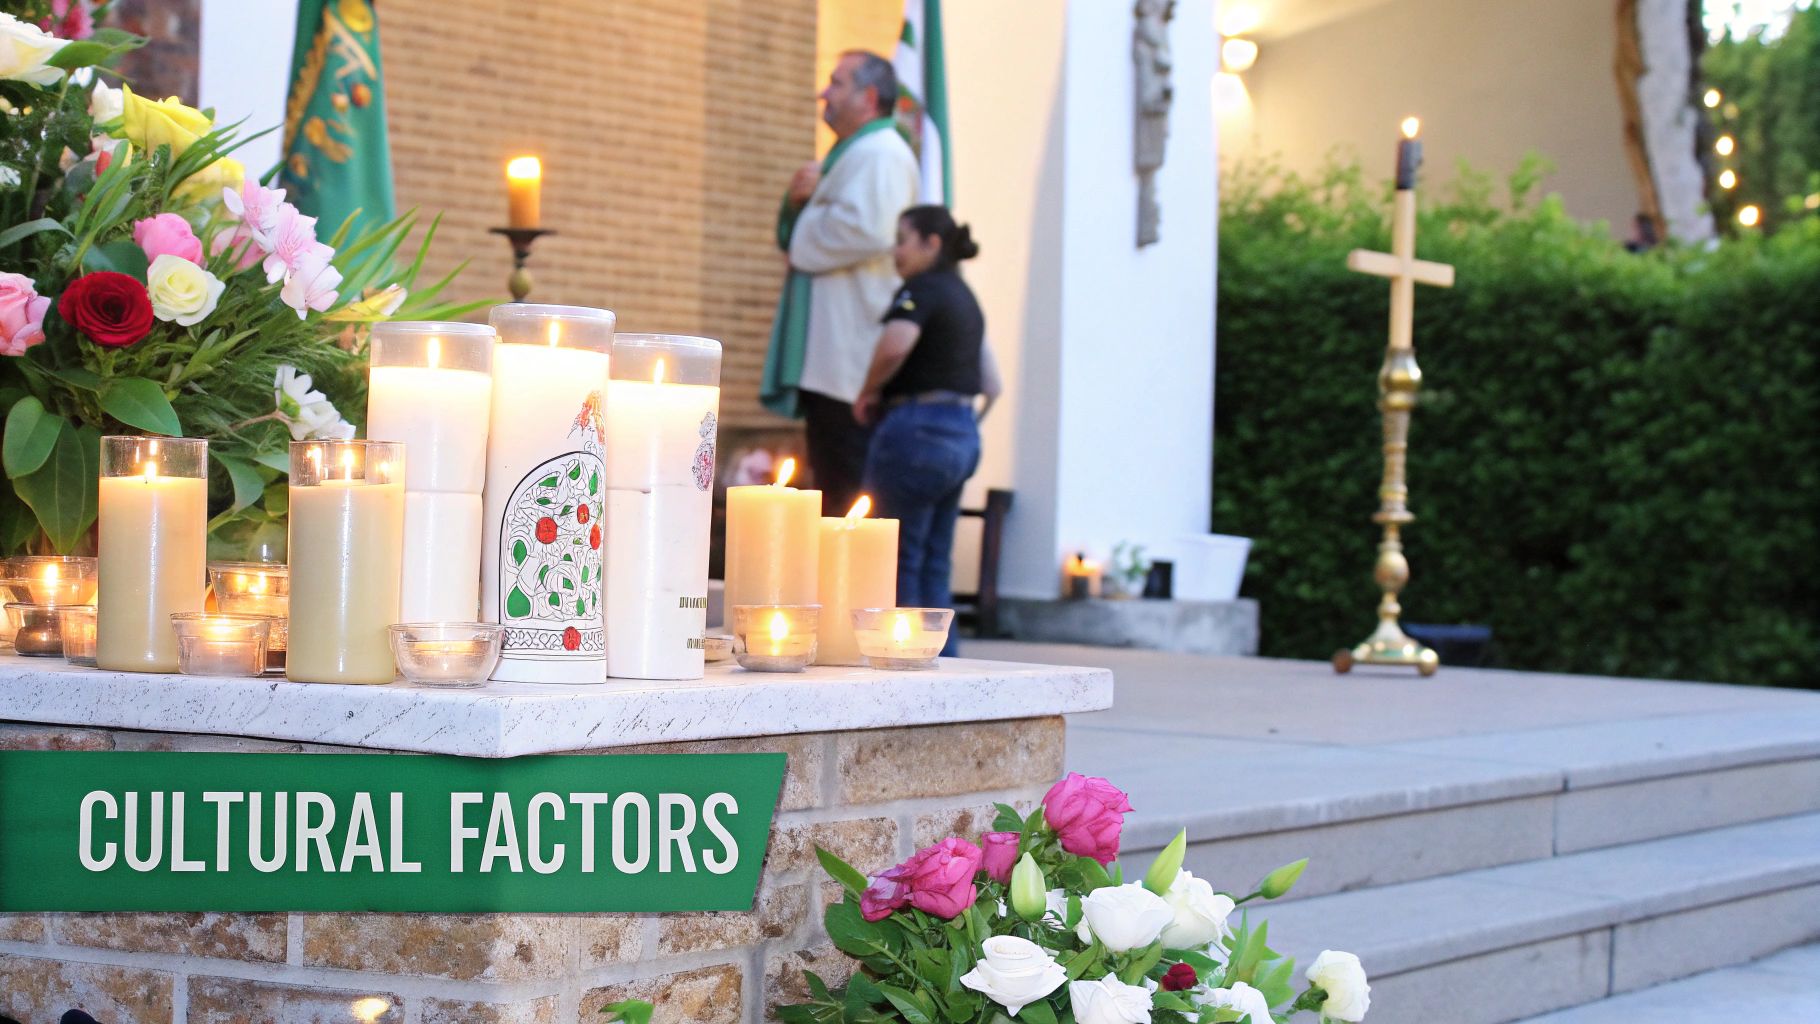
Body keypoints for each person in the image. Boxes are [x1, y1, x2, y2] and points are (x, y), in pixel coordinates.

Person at [760, 50, 920, 514]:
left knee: (847, 487)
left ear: (869, 97)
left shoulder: (882, 153)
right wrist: (799, 204)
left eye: (836, 82)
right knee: (832, 480)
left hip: (851, 357)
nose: (823, 93)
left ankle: (844, 589)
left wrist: (808, 214)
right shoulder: (857, 153)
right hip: (833, 356)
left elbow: (867, 229)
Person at [856, 206, 1001, 656]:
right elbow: (993, 386)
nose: (895, 251)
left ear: (931, 244)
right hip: (960, 433)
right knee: (936, 562)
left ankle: (896, 661)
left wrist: (867, 391)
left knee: (896, 555)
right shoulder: (966, 299)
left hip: (916, 431)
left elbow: (896, 344)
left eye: (903, 239)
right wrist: (961, 429)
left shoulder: (922, 289)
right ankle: (943, 664)